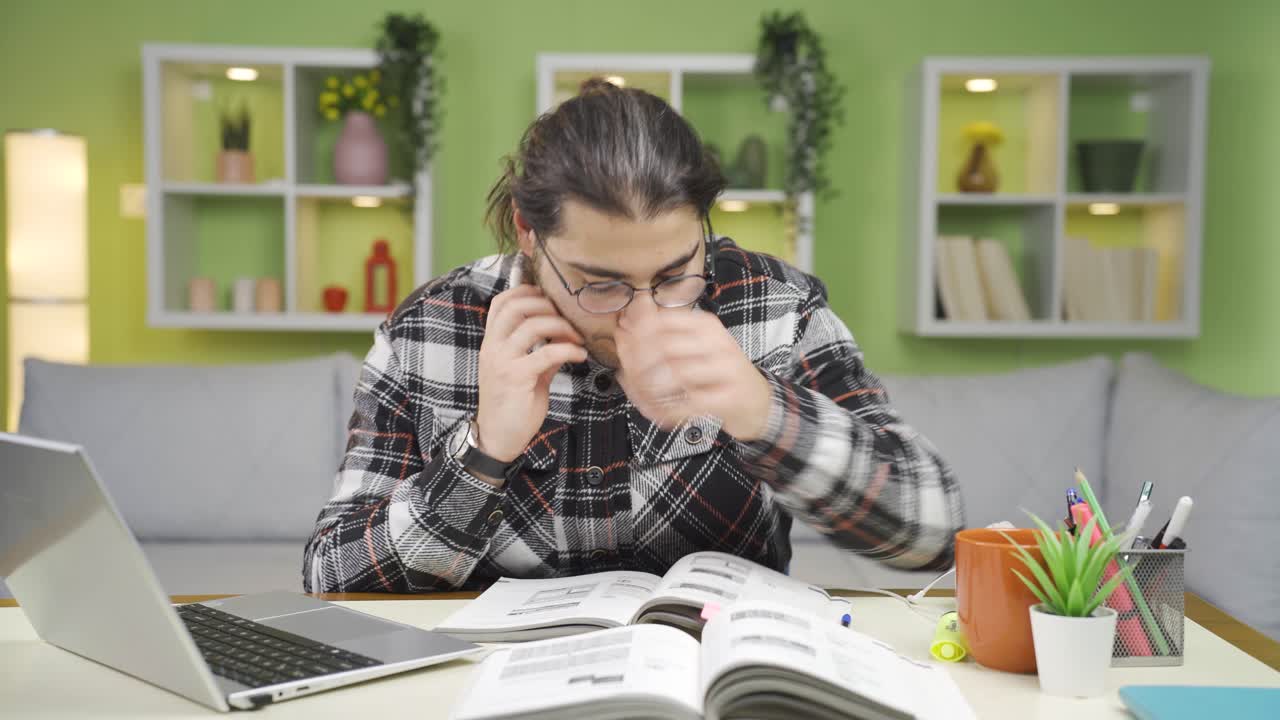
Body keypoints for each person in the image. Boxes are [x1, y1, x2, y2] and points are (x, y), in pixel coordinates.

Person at [302, 79, 963, 593]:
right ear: (528, 233)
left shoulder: (773, 308)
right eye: (600, 282)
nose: (641, 315)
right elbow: (331, 577)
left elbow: (932, 532)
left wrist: (763, 411)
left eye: (676, 272)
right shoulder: (431, 329)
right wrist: (481, 453)